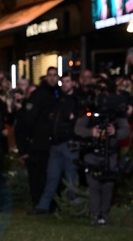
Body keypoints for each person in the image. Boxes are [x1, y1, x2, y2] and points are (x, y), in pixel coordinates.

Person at [74, 89, 130, 225]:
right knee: (94, 185)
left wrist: (115, 132)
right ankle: (95, 215)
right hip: (92, 153)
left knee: (108, 185)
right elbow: (78, 129)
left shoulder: (117, 115)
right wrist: (91, 132)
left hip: (110, 154)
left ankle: (104, 215)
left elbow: (126, 131)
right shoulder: (91, 113)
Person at [31, 72, 80, 214]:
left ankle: (71, 207)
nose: (64, 84)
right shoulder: (59, 101)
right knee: (52, 177)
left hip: (68, 143)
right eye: (63, 82)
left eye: (67, 81)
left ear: (73, 83)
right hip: (56, 144)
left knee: (70, 177)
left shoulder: (76, 101)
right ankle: (44, 206)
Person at [23, 66, 60, 210]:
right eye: (50, 75)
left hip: (52, 141)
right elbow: (29, 119)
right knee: (39, 174)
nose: (52, 78)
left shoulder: (57, 93)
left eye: (55, 75)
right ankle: (39, 202)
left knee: (50, 174)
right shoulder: (39, 94)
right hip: (41, 142)